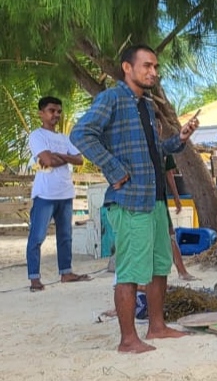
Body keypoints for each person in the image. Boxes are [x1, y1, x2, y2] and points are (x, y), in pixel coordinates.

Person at [70, 44, 200, 353]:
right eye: (147, 66)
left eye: (156, 67)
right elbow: (80, 134)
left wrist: (179, 140)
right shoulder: (111, 98)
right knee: (129, 271)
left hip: (154, 200)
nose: (153, 72)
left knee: (158, 266)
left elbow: (155, 153)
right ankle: (128, 340)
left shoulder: (144, 104)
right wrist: (113, 168)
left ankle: (157, 327)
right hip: (129, 200)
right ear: (127, 68)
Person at [26, 96, 90, 291]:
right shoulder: (37, 136)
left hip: (65, 192)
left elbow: (80, 160)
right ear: (41, 113)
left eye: (59, 112)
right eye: (52, 111)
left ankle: (66, 272)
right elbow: (47, 161)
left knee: (65, 236)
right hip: (45, 194)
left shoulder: (64, 138)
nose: (56, 115)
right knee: (37, 236)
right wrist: (66, 157)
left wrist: (59, 156)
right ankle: (34, 278)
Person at [163, 155, 196, 281]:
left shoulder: (163, 146)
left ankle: (181, 270)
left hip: (160, 198)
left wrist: (176, 197)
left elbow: (169, 173)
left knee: (171, 233)